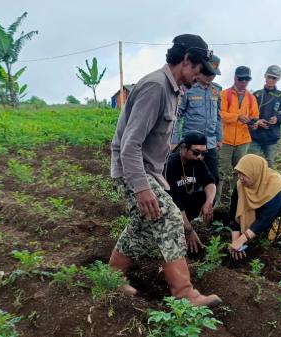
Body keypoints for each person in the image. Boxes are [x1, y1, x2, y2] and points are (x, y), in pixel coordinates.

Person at [109, 33, 222, 307]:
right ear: (186, 60)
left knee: (141, 227)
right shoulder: (156, 87)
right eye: (197, 69)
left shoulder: (172, 89)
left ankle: (111, 277)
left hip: (146, 170)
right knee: (170, 218)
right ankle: (184, 294)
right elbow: (130, 144)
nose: (199, 76)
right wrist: (142, 187)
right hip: (134, 170)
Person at [227, 154, 281, 259]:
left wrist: (242, 239)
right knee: (256, 239)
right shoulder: (241, 186)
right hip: (264, 213)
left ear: (255, 172)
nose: (240, 178)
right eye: (238, 173)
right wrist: (235, 242)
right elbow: (234, 213)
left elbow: (266, 218)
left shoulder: (277, 184)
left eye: (244, 174)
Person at [171, 55, 223, 191]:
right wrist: (175, 140)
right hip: (192, 144)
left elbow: (218, 116)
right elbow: (177, 116)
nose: (210, 77)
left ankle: (208, 207)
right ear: (200, 71)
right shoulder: (187, 90)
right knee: (191, 178)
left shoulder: (216, 90)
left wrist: (219, 138)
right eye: (207, 73)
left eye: (213, 74)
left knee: (213, 178)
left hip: (210, 144)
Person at [165, 132, 217, 253]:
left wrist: (208, 203)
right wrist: (189, 231)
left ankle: (186, 224)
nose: (200, 157)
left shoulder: (197, 161)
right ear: (184, 148)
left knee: (207, 195)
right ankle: (177, 230)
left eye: (203, 153)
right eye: (196, 152)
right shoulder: (171, 164)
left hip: (185, 200)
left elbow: (210, 182)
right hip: (169, 204)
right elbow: (174, 202)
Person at [216, 66, 260, 207]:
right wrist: (237, 117)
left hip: (243, 141)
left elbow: (254, 116)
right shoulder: (224, 95)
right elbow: (220, 114)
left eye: (247, 79)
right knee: (220, 172)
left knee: (240, 173)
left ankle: (236, 203)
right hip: (225, 140)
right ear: (235, 78)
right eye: (241, 79)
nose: (244, 82)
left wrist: (254, 123)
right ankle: (214, 204)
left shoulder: (251, 98)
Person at [250, 65, 281, 168]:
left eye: (274, 78)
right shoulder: (256, 94)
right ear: (265, 76)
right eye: (269, 77)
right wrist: (257, 121)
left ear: (278, 79)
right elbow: (250, 113)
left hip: (271, 136)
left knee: (269, 165)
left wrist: (277, 119)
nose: (271, 80)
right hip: (256, 136)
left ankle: (267, 184)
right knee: (253, 164)